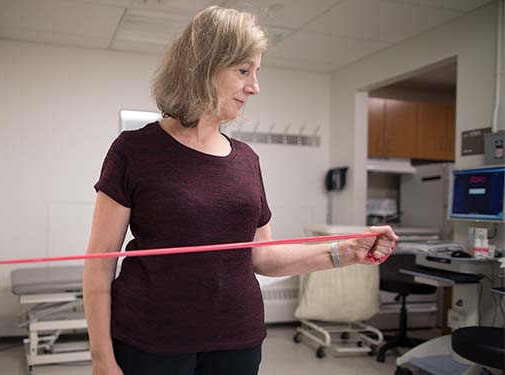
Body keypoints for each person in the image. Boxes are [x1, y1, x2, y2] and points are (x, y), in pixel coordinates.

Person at [83, 6, 398, 375]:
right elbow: (99, 265)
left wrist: (344, 252)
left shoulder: (246, 159)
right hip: (151, 340)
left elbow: (263, 258)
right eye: (244, 71)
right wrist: (102, 358)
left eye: (257, 72)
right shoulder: (133, 150)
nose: (255, 86)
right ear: (204, 66)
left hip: (237, 340)